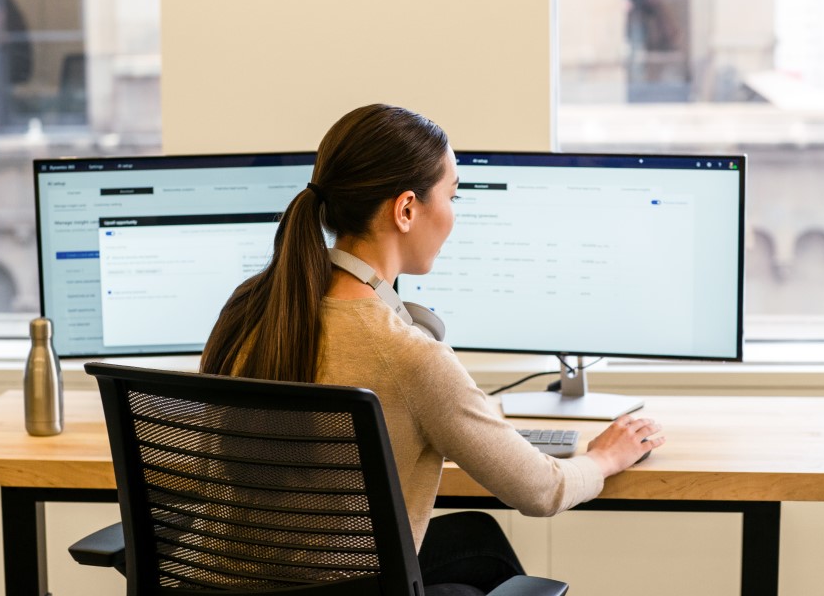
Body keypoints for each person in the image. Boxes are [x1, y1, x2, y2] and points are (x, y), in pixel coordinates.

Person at [201, 103, 665, 594]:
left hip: (227, 581)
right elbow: (543, 490)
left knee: (475, 537)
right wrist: (605, 458)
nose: (453, 213)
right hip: (345, 583)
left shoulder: (254, 304)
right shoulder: (409, 356)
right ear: (406, 210)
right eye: (452, 194)